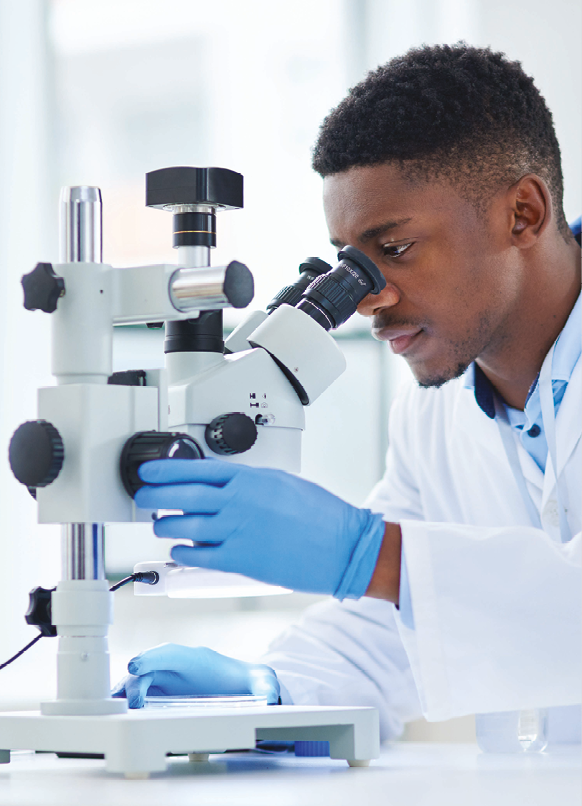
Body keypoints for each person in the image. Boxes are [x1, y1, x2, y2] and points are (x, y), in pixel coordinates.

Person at [113, 44, 581, 743]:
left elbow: (403, 573)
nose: (369, 299)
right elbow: (391, 625)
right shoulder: (433, 413)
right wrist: (274, 689)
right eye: (350, 263)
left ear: (522, 213)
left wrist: (369, 554)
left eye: (392, 250)